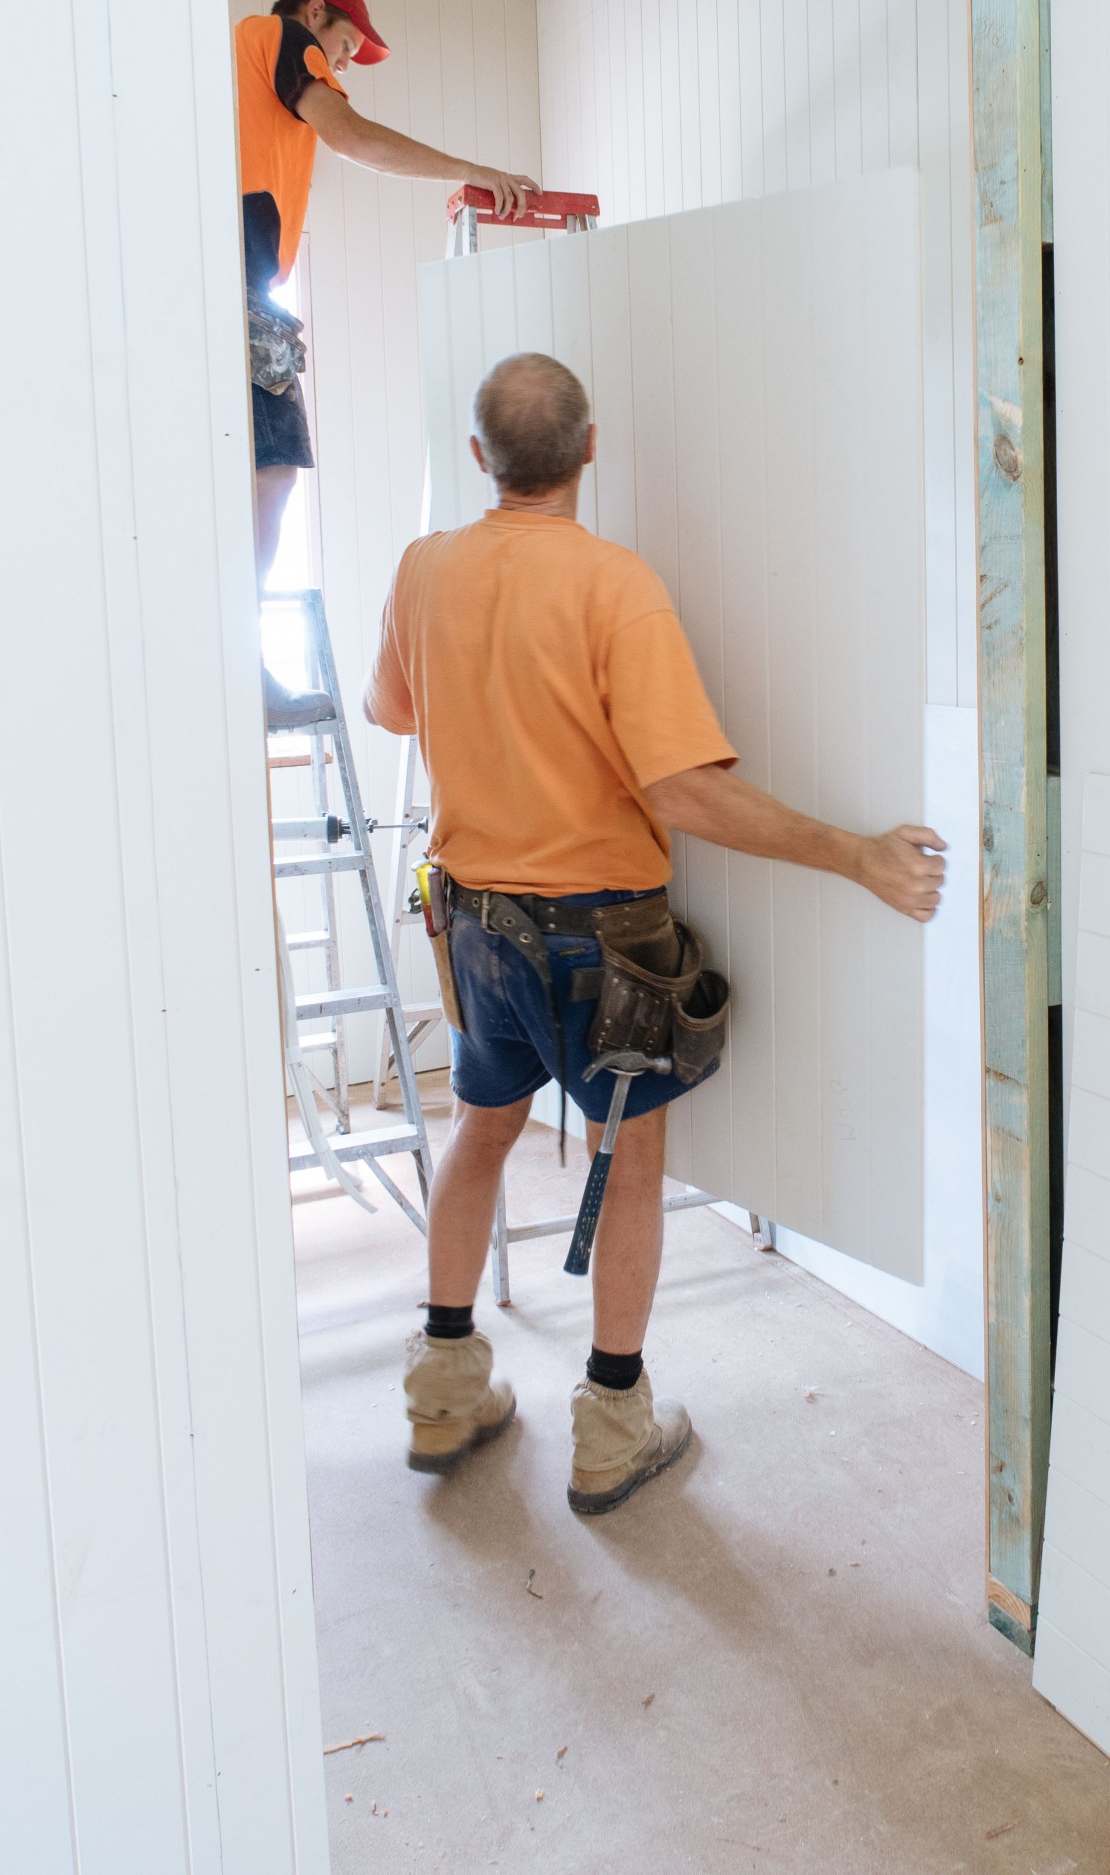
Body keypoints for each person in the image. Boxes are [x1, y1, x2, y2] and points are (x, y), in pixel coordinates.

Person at [364, 353, 946, 1512]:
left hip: (473, 923)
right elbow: (682, 793)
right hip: (597, 937)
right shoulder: (612, 584)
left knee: (479, 1132)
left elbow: (393, 709)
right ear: (590, 448)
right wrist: (855, 855)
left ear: (481, 459)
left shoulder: (423, 568)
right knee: (626, 1162)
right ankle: (612, 1425)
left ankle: (440, 1389)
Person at [234, 0, 538, 608]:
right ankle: (240, 644)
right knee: (276, 470)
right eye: (344, 48)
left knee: (253, 469)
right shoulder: (282, 38)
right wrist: (470, 170)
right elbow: (353, 138)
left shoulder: (242, 56)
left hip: (236, 272)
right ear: (315, 13)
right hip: (244, 280)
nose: (341, 66)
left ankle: (232, 635)